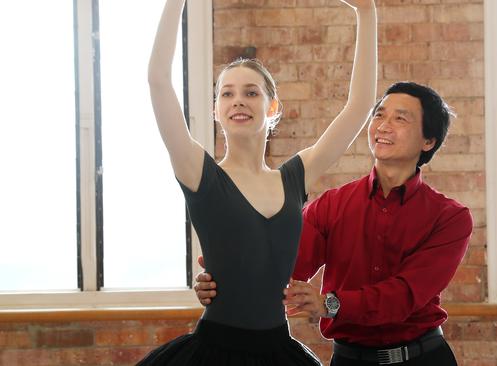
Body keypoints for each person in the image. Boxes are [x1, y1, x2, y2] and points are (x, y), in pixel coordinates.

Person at [141, 0, 377, 364]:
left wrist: (366, 11)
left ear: (271, 107)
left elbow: (359, 106)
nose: (239, 101)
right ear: (216, 109)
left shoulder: (296, 175)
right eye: (227, 93)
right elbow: (158, 80)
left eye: (251, 92)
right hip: (212, 351)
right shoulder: (198, 171)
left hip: (278, 351)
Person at [195, 81, 473, 365]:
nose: (383, 126)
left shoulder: (450, 217)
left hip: (423, 358)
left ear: (429, 141)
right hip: (348, 359)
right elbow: (284, 265)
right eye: (379, 115)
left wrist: (331, 303)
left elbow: (404, 295)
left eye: (400, 118)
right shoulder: (331, 205)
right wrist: (224, 277)